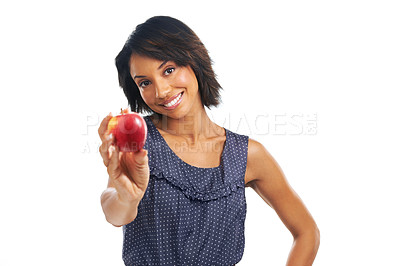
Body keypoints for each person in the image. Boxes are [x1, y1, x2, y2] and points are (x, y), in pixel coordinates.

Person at [98, 16, 320, 266]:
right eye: (145, 83)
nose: (160, 91)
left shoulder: (246, 155)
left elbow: (307, 232)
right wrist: (128, 198)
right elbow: (114, 211)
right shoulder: (139, 145)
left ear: (193, 61)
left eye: (169, 70)